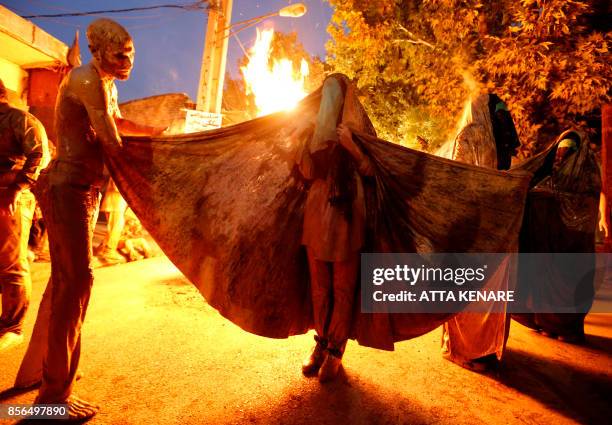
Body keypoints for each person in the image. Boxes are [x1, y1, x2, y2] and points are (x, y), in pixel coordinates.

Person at [16, 18, 164, 420]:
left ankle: (52, 382)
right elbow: (111, 139)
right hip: (68, 188)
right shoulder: (86, 79)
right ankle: (52, 400)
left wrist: (162, 134)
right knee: (75, 282)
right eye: (121, 54)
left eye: (132, 54)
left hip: (86, 190)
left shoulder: (106, 83)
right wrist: (165, 159)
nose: (129, 61)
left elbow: (117, 126)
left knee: (71, 284)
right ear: (99, 52)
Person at [297, 75, 374, 382]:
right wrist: (302, 144)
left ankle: (336, 351)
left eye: (335, 95)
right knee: (320, 289)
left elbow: (372, 173)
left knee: (343, 290)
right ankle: (321, 342)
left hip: (346, 220)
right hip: (316, 218)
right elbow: (307, 173)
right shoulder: (316, 132)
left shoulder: (359, 130)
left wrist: (352, 148)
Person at [441, 93, 520, 371]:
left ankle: (468, 350)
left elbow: (458, 177)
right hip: (499, 226)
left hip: (474, 225)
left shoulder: (470, 134)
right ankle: (486, 348)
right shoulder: (502, 139)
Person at [514, 129, 606, 343]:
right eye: (559, 150)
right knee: (545, 277)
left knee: (570, 278)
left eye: (567, 151)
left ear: (578, 153)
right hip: (550, 239)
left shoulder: (588, 173)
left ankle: (565, 327)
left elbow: (587, 201)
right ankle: (545, 322)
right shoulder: (550, 174)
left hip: (573, 242)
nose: (561, 155)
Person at [0, 78, 50, 351]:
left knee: (11, 264)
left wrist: (15, 189)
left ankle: (12, 326)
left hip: (10, 199)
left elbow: (40, 156)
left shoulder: (20, 120)